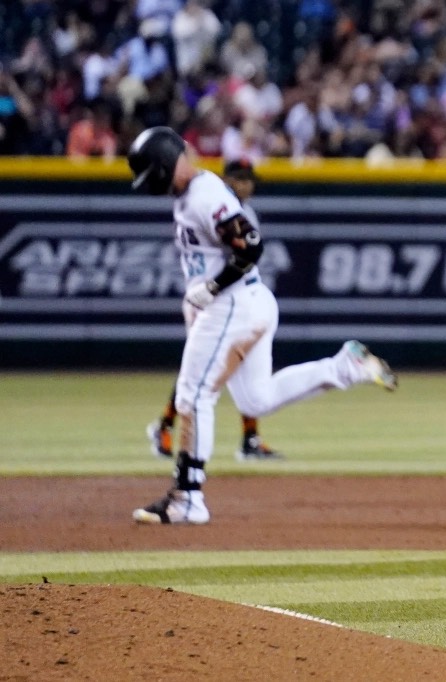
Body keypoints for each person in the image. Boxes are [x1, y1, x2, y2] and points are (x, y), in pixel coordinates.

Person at [128, 127, 398, 525]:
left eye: (154, 173)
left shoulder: (205, 194)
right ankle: (345, 367)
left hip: (232, 304)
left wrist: (213, 288)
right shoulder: (191, 195)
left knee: (194, 395)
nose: (153, 184)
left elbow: (252, 245)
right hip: (246, 304)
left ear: (168, 163)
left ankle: (187, 498)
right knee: (255, 401)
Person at [146, 158, 285, 462]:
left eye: (250, 179)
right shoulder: (210, 200)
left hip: (224, 296)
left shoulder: (239, 211)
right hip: (207, 297)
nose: (247, 185)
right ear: (228, 179)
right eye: (241, 178)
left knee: (223, 365)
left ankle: (248, 437)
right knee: (200, 371)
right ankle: (165, 427)